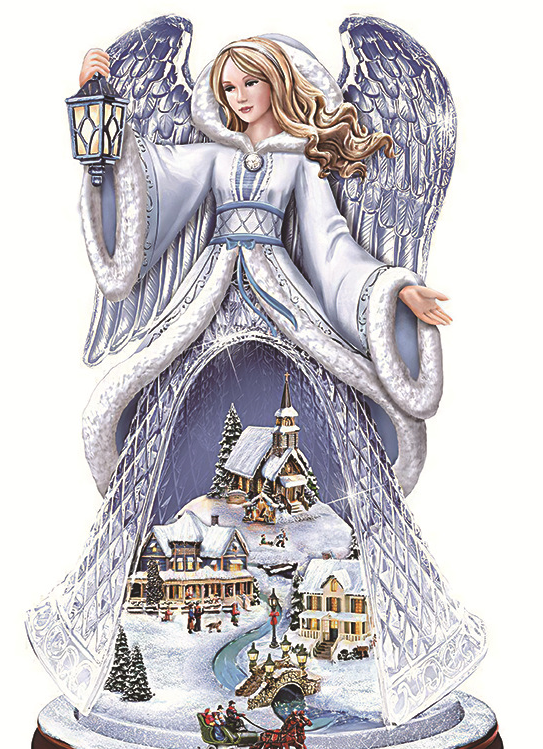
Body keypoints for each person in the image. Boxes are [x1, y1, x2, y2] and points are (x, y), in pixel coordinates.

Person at [76, 35, 451, 498]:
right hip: (211, 288)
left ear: (277, 82)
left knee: (309, 380)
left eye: (251, 82)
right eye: (228, 88)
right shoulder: (214, 155)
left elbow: (331, 245)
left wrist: (393, 289)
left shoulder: (301, 161)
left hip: (280, 291)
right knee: (174, 379)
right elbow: (146, 177)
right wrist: (97, 100)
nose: (239, 97)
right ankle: (172, 496)